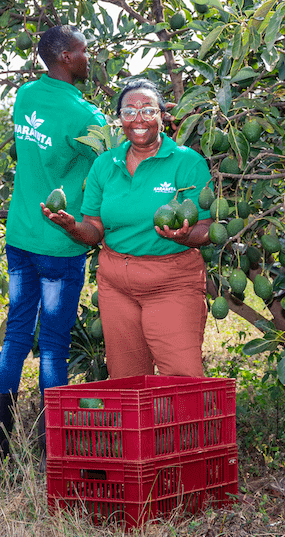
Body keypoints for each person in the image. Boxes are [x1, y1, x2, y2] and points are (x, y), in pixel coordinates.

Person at [0, 25, 107, 461]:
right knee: (54, 344)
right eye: (84, 50)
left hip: (20, 235)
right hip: (59, 244)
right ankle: (56, 446)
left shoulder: (25, 97)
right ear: (67, 58)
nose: (89, 57)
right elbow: (114, 159)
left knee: (16, 334)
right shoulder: (85, 115)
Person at [45, 79, 212, 380]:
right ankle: (142, 430)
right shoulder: (105, 165)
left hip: (172, 282)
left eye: (148, 111)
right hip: (116, 285)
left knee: (183, 378)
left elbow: (207, 227)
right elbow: (94, 229)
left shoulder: (187, 162)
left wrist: (186, 236)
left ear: (164, 115)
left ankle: (188, 429)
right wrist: (72, 227)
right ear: (119, 119)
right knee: (127, 382)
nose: (138, 119)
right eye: (129, 112)